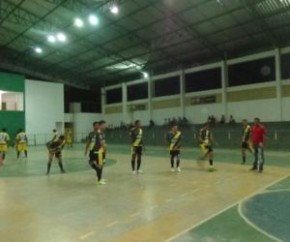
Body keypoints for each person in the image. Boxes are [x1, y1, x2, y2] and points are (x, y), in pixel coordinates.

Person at [87, 120, 107, 185]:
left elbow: (102, 142)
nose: (105, 126)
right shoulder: (98, 133)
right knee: (99, 165)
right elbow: (101, 143)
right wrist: (105, 150)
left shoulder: (101, 133)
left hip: (100, 151)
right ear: (100, 126)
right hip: (98, 152)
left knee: (100, 165)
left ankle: (99, 178)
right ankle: (99, 179)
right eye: (104, 125)